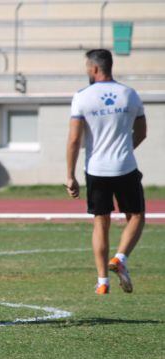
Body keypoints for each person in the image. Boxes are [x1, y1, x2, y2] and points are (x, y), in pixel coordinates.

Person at [65, 49, 147, 294]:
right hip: (125, 166)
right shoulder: (130, 95)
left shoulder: (82, 97)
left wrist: (70, 175)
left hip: (96, 169)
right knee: (136, 216)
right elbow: (142, 133)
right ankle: (120, 257)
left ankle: (102, 282)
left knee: (101, 222)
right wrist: (125, 149)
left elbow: (73, 140)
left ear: (94, 69)